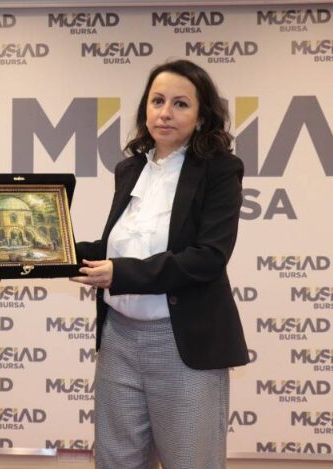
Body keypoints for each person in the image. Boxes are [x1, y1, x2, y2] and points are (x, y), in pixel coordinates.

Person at [71, 59, 249, 469]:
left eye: (180, 104)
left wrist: (120, 273)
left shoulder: (220, 170)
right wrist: (52, 253)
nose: (165, 112)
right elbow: (116, 246)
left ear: (201, 115)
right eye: (157, 101)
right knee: (116, 461)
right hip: (118, 340)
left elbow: (208, 257)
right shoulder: (130, 169)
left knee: (191, 461)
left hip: (182, 342)